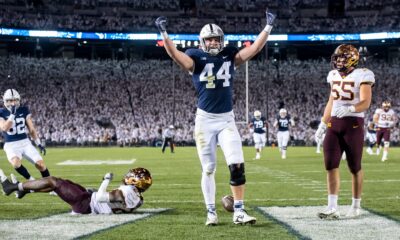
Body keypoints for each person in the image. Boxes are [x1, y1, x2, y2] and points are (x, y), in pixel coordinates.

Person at [155, 10, 276, 225]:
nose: (213, 42)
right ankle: (211, 212)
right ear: (202, 41)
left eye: (216, 39)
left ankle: (239, 212)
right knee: (209, 168)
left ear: (221, 40)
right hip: (205, 121)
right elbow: (175, 55)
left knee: (237, 164)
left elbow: (255, 48)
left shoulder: (229, 55)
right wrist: (164, 33)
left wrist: (268, 27)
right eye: (209, 39)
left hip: (227, 120)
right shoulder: (195, 58)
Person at [315, 44, 375, 219]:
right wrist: (323, 123)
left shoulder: (363, 74)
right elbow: (331, 102)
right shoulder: (333, 75)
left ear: (352, 59)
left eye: (342, 58)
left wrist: (351, 109)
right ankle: (332, 207)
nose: (338, 60)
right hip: (334, 124)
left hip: (353, 124)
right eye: (337, 57)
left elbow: (365, 102)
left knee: (354, 167)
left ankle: (356, 205)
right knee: (330, 164)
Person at [0, 167, 152, 214]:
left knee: (54, 181)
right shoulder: (138, 199)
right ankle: (25, 191)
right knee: (63, 183)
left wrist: (106, 180)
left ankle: (12, 187)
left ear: (134, 181)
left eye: (131, 176)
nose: (127, 177)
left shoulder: (125, 191)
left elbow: (100, 197)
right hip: (89, 201)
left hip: (87, 203)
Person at [0, 89, 50, 181]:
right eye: (11, 100)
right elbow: (4, 128)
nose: (13, 103)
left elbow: (31, 129)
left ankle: (51, 187)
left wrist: (38, 143)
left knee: (41, 165)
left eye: (15, 100)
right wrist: (12, 115)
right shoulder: (1, 112)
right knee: (16, 163)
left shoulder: (24, 110)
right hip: (11, 145)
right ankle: (32, 180)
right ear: (5, 101)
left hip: (25, 143)